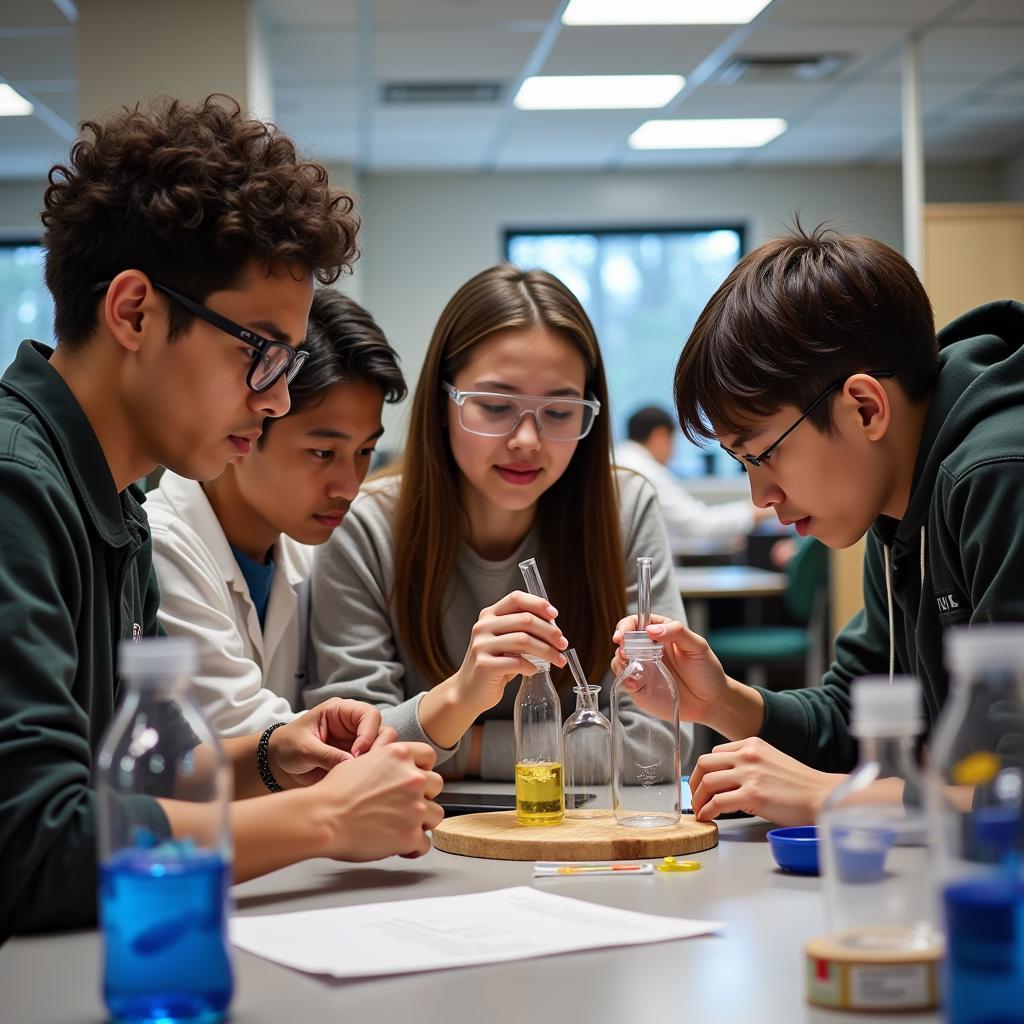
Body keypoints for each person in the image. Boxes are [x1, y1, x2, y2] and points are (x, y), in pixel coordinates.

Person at [0, 96, 441, 938]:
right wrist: (319, 822)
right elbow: (32, 845)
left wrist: (270, 759)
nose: (276, 399)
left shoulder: (111, 497)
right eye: (259, 351)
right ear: (134, 311)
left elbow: (122, 786)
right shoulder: (16, 489)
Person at [613, 223, 1024, 826]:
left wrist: (832, 797)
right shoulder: (897, 503)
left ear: (864, 407)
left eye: (764, 454)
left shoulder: (998, 477)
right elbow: (853, 720)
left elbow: (1011, 790)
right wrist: (720, 700)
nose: (760, 496)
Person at [311, 264, 691, 779]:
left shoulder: (624, 509)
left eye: (559, 413)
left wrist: (460, 747)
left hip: (583, 838)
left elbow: (654, 747)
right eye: (494, 406)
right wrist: (467, 697)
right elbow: (350, 747)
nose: (528, 440)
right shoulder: (367, 526)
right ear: (443, 403)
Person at [147, 288, 406, 736]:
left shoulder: (311, 554)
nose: (350, 485)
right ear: (253, 422)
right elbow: (244, 735)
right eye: (323, 453)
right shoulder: (161, 546)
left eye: (366, 451)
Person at [614, 405, 770, 548]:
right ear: (660, 436)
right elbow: (697, 524)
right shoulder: (643, 471)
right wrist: (756, 511)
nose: (674, 452)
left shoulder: (622, 459)